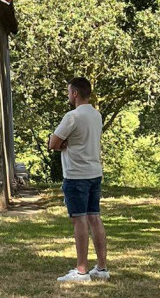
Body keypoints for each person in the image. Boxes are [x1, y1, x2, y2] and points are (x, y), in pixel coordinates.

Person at [48, 77, 110, 282]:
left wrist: (62, 143)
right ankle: (101, 268)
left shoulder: (72, 116)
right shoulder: (96, 115)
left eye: (68, 92)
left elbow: (53, 143)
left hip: (76, 174)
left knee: (80, 219)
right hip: (94, 171)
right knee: (95, 217)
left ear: (75, 93)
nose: (68, 95)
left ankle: (81, 270)